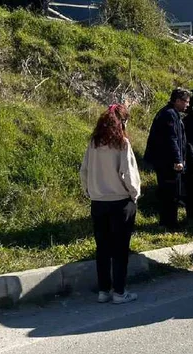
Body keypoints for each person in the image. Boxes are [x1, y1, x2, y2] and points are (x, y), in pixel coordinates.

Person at [80, 103, 140, 305]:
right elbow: (129, 174)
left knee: (102, 248)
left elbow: (84, 171)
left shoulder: (93, 143)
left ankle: (103, 291)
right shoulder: (122, 143)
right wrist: (134, 195)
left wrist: (90, 192)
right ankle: (120, 292)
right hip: (120, 202)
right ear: (122, 122)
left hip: (98, 202)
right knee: (120, 250)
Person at [144, 88, 190, 228]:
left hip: (165, 160)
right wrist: (177, 160)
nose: (187, 105)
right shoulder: (169, 115)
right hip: (167, 162)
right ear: (177, 100)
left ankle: (169, 221)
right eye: (186, 102)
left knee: (170, 192)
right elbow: (172, 139)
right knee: (170, 193)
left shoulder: (172, 113)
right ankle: (168, 223)